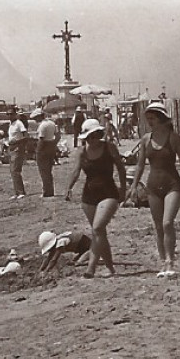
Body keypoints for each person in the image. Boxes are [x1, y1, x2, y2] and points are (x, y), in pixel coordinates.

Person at [132, 103, 180, 276]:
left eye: (153, 119)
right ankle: (163, 263)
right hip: (152, 187)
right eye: (148, 119)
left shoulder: (173, 138)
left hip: (172, 185)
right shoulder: (146, 139)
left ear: (161, 118)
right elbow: (139, 166)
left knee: (167, 223)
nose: (150, 122)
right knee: (158, 227)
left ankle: (170, 262)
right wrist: (133, 187)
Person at [64, 118, 128, 278]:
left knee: (97, 229)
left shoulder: (109, 148)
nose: (91, 140)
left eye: (94, 136)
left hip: (109, 193)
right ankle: (111, 268)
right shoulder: (82, 151)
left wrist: (124, 190)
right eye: (88, 137)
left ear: (98, 134)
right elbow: (76, 171)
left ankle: (90, 268)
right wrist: (68, 188)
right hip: (89, 196)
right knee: (100, 233)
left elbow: (121, 168)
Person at [35, 110, 60, 196]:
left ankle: (46, 191)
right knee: (48, 170)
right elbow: (58, 135)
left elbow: (41, 140)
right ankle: (50, 190)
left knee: (43, 171)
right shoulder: (52, 123)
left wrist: (38, 151)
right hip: (51, 146)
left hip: (43, 148)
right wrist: (54, 143)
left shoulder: (42, 126)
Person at [6, 112, 29, 199]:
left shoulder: (19, 123)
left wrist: (16, 142)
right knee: (12, 171)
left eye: (11, 114)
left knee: (15, 170)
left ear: (15, 114)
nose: (9, 116)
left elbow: (26, 136)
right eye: (7, 114)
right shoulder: (11, 124)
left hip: (17, 148)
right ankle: (17, 192)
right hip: (11, 147)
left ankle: (21, 191)